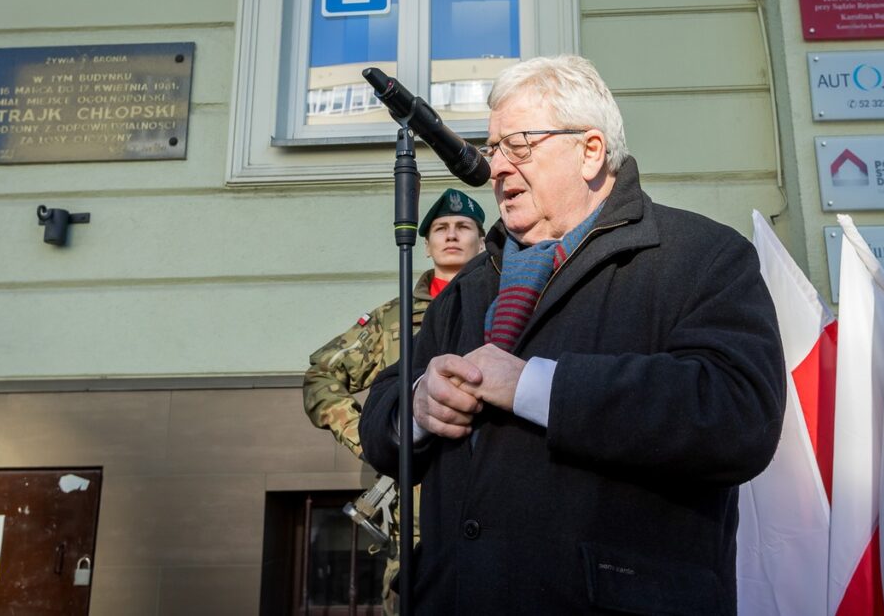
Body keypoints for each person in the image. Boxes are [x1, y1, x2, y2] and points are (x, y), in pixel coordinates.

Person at [359, 55, 786, 615]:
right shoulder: (468, 285)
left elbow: (738, 413)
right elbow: (379, 416)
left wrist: (538, 386)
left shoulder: (700, 256)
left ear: (590, 151)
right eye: (493, 149)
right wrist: (419, 405)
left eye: (520, 145)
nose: (496, 169)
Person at [302, 188, 487, 615]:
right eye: (440, 228)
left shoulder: (505, 306)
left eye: (464, 227)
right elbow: (322, 375)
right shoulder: (393, 318)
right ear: (425, 246)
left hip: (489, 494)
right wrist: (373, 438)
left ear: (482, 241)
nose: (452, 235)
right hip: (418, 511)